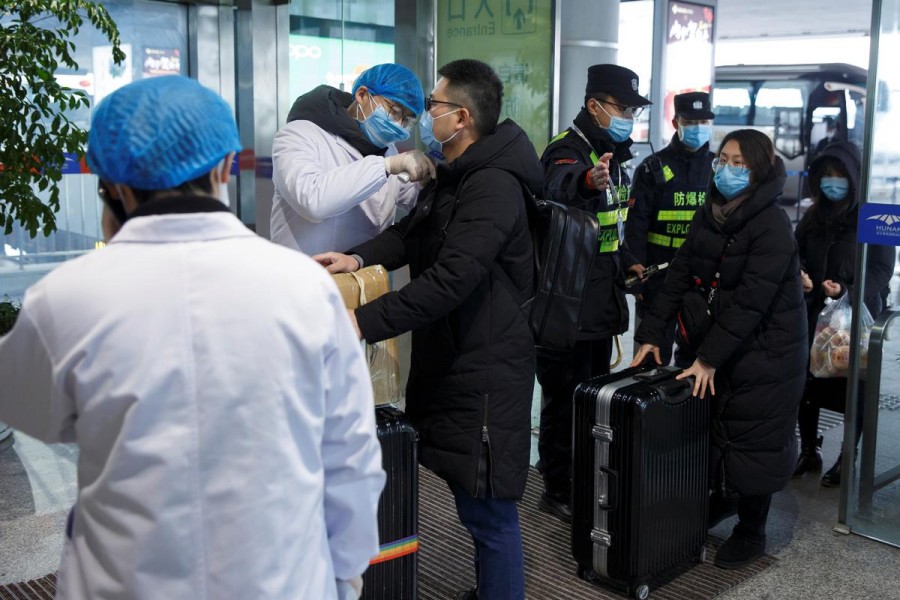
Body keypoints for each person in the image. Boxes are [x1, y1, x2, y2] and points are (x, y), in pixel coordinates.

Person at [0, 76, 385, 600]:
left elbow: (28, 411)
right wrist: (341, 577)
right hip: (285, 582)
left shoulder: (63, 299)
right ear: (226, 167)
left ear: (109, 182)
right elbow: (350, 457)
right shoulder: (307, 290)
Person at [315, 59, 538, 600]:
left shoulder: (493, 187)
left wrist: (361, 321)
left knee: (490, 512)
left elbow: (451, 280)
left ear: (460, 117)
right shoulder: (456, 173)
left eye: (434, 106)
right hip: (460, 360)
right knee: (472, 500)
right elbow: (412, 238)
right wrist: (356, 258)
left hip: (487, 369)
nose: (425, 116)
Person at [632, 129, 807, 569]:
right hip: (715, 338)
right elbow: (678, 276)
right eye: (723, 160)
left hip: (767, 350)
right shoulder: (711, 213)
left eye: (738, 163)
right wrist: (652, 335)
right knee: (710, 425)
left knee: (753, 433)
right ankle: (721, 498)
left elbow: (750, 302)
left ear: (760, 170)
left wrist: (707, 359)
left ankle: (752, 530)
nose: (726, 170)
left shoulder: (772, 226)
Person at [536, 64, 651, 520]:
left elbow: (610, 231)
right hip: (568, 303)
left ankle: (583, 475)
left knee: (591, 394)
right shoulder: (567, 152)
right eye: (622, 108)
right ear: (594, 106)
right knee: (563, 397)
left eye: (632, 110)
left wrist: (627, 263)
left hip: (600, 298)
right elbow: (557, 189)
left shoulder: (614, 157)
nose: (628, 117)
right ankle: (556, 485)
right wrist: (586, 182)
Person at [793, 141, 895, 486]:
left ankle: (847, 457)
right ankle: (809, 449)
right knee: (808, 383)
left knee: (855, 387)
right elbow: (798, 254)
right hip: (815, 313)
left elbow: (882, 270)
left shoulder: (874, 214)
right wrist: (803, 276)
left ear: (854, 177)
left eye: (839, 176)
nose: (832, 183)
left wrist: (849, 292)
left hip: (856, 319)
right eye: (826, 176)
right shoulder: (813, 215)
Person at [271, 63, 434, 255]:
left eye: (406, 121)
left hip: (363, 275)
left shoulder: (388, 150)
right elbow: (312, 201)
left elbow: (410, 196)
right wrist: (386, 166)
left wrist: (425, 181)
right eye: (395, 111)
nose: (398, 125)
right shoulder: (299, 135)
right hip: (306, 275)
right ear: (362, 95)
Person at [625, 91, 716, 367]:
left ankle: (687, 409)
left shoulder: (718, 168)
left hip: (702, 279)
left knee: (696, 357)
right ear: (676, 123)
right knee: (650, 355)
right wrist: (636, 273)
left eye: (703, 121)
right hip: (658, 277)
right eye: (690, 121)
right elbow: (636, 224)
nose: (697, 128)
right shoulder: (653, 168)